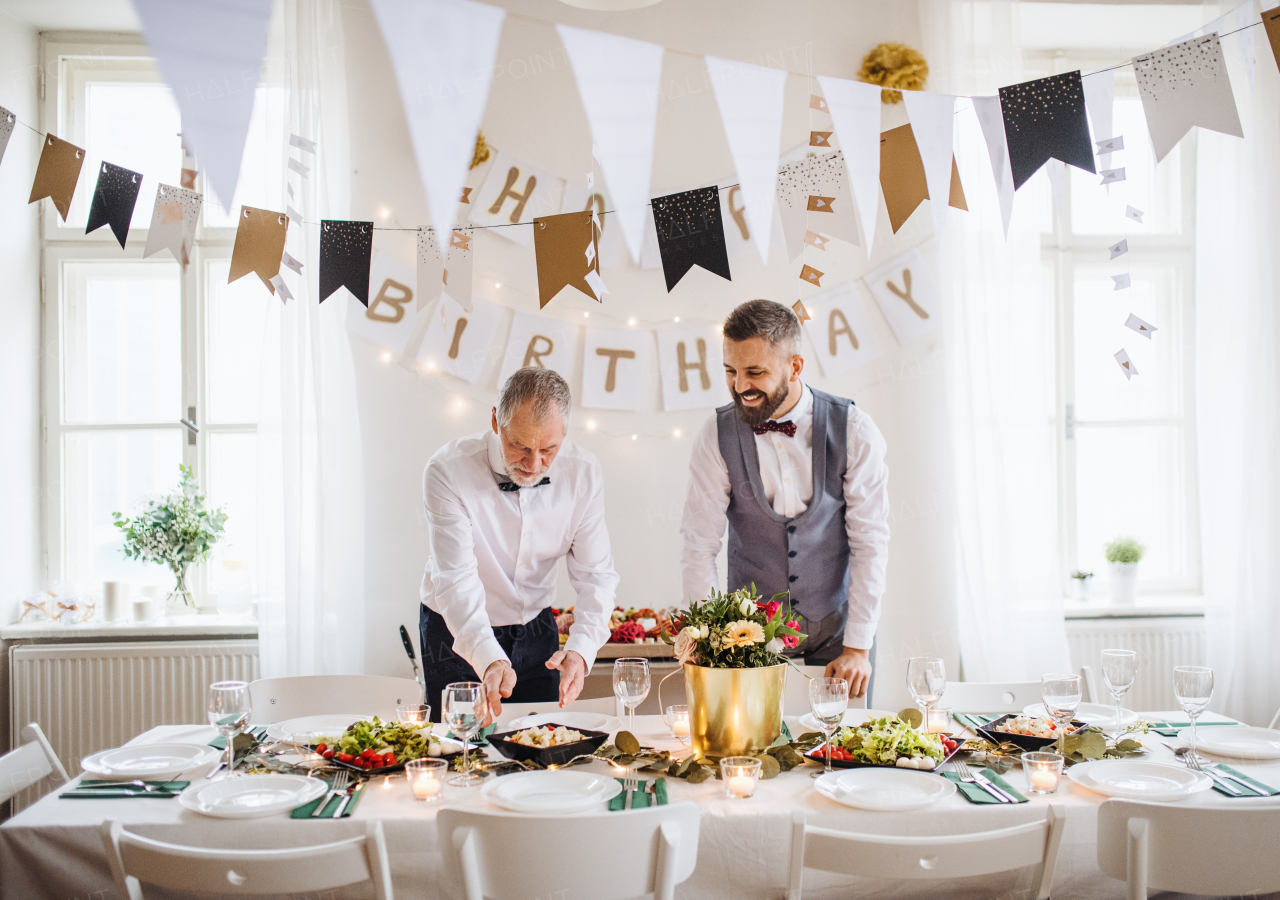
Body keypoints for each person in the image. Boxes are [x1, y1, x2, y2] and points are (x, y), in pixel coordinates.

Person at [680, 299, 890, 700]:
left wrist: (859, 647)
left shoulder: (856, 431)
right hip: (747, 639)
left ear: (795, 367)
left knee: (841, 754)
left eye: (755, 372)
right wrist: (703, 636)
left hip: (840, 637)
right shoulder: (715, 435)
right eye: (731, 372)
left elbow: (870, 543)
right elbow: (699, 544)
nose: (741, 387)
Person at [420, 367, 619, 723]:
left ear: (564, 435)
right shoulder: (448, 471)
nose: (533, 464)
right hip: (454, 629)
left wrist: (580, 650)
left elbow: (596, 576)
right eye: (519, 446)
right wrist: (489, 657)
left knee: (538, 746)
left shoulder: (583, 474)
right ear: (496, 421)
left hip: (537, 627)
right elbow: (456, 580)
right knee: (458, 750)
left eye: (548, 449)